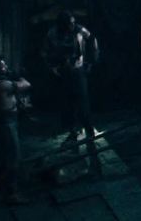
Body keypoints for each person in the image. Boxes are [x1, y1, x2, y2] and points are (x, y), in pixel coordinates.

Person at [41, 11, 99, 166]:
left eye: (73, 22)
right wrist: (52, 67)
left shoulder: (80, 30)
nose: (72, 25)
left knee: (83, 100)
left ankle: (88, 129)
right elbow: (45, 51)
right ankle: (72, 130)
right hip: (62, 72)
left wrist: (91, 61)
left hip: (78, 69)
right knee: (67, 102)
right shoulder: (53, 34)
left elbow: (92, 40)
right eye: (69, 23)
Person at [0, 57, 30, 205]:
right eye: (2, 66)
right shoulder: (2, 85)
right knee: (14, 158)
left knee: (4, 156)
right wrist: (19, 75)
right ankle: (12, 193)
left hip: (1, 122)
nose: (6, 68)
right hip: (7, 123)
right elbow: (27, 84)